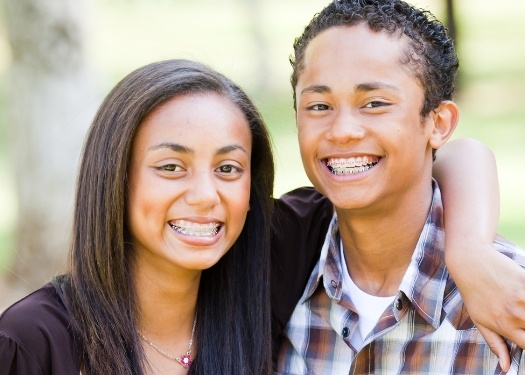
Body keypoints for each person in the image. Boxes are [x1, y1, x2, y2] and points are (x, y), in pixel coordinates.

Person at [276, 0, 525, 373]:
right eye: (319, 106)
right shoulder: (277, 270)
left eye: (374, 103)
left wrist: (469, 251)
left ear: (438, 123)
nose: (342, 131)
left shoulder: (509, 298)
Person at [0, 59, 275, 374]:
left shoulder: (265, 313)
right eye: (171, 167)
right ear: (115, 179)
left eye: (228, 168)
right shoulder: (31, 343)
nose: (205, 196)